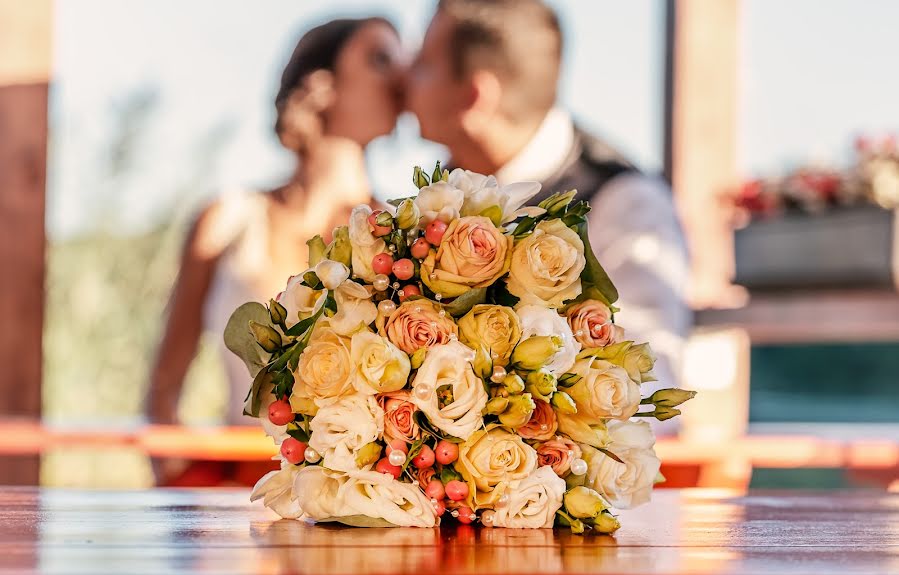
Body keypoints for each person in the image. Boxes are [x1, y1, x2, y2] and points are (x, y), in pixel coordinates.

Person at [406, 0, 692, 409]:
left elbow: (645, 380)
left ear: (473, 97)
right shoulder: (434, 196)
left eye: (423, 63)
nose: (405, 78)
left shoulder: (625, 203)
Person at [147, 17, 405, 460]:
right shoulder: (226, 221)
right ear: (321, 86)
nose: (403, 75)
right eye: (380, 59)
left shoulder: (402, 238)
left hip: (354, 496)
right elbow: (164, 386)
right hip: (234, 490)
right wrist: (181, 487)